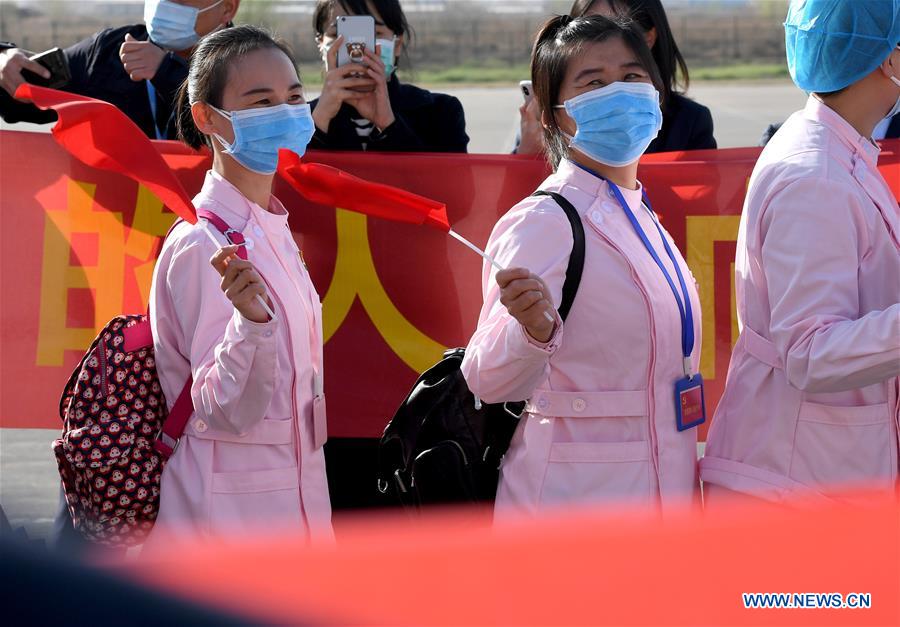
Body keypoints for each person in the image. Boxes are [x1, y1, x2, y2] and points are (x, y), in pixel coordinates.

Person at [462, 15, 702, 515]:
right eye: (594, 83)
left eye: (632, 76)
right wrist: (531, 332)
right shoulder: (546, 220)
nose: (619, 92)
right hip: (571, 508)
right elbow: (486, 379)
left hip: (659, 499)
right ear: (553, 115)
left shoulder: (639, 212)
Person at [700, 0, 900, 505]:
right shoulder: (815, 177)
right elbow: (811, 351)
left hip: (812, 471)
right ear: (889, 59)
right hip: (788, 484)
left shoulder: (836, 149)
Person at [147, 25, 331, 542]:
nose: (286, 113)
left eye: (293, 97)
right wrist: (251, 327)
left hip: (296, 495)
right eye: (261, 101)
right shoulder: (203, 243)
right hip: (230, 514)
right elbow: (221, 409)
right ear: (207, 117)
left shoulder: (270, 225)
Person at [0, 0, 239, 139]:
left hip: (213, 212)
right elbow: (21, 100)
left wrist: (166, 72)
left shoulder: (252, 64)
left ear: (227, 8)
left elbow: (232, 136)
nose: (164, 5)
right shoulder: (108, 52)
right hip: (122, 210)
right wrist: (4, 59)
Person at [515, 0, 716, 155]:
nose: (603, 40)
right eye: (590, 28)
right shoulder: (551, 116)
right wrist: (530, 150)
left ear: (648, 38)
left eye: (619, 27)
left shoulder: (690, 121)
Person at [308, 0, 469, 152]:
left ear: (397, 44)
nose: (359, 47)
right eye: (339, 33)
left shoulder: (441, 113)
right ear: (321, 44)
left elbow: (449, 173)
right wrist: (316, 125)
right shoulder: (302, 119)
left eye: (374, 33)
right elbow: (295, 172)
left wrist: (390, 126)